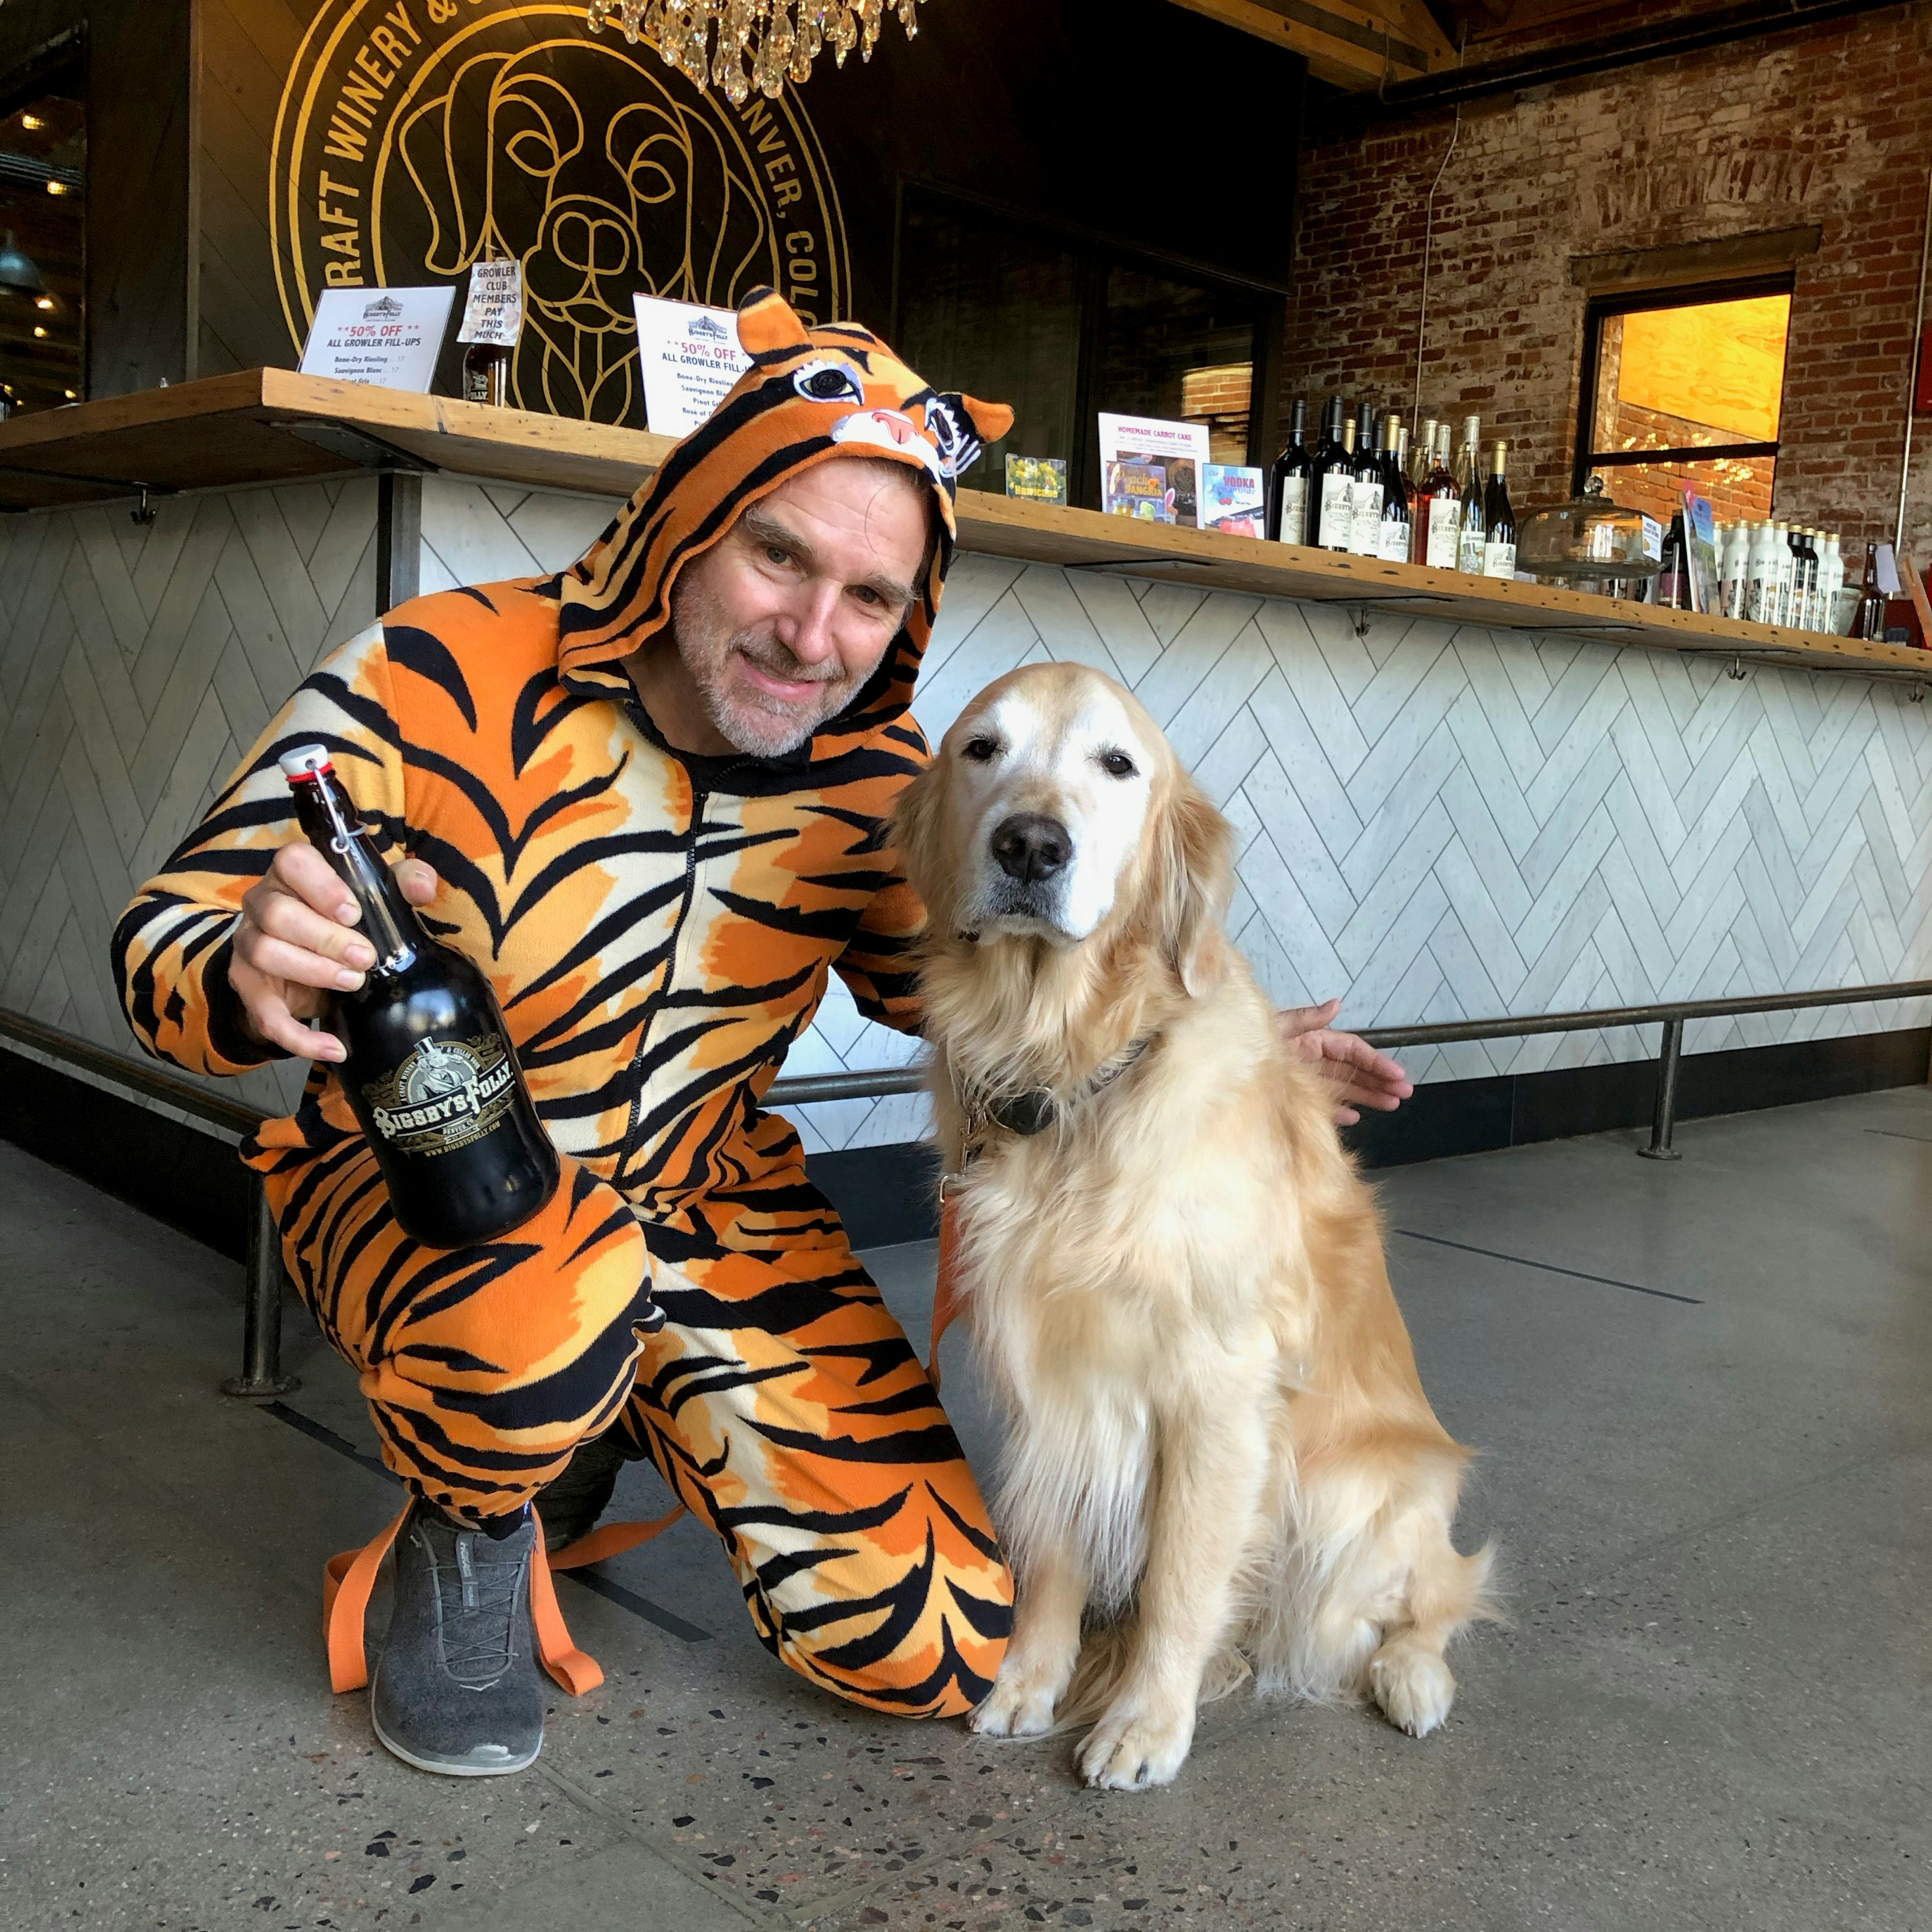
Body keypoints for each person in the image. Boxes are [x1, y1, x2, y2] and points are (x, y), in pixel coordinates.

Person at [113, 290, 1411, 1780]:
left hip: (707, 1205)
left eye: (870, 596)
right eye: (778, 555)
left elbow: (980, 990)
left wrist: (1221, 1050)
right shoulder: (434, 668)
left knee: (941, 1644)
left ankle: (596, 1415)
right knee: (531, 1320)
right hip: (440, 1188)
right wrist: (242, 967)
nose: (812, 634)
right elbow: (158, 943)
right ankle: (471, 1524)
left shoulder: (878, 781)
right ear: (686, 521)